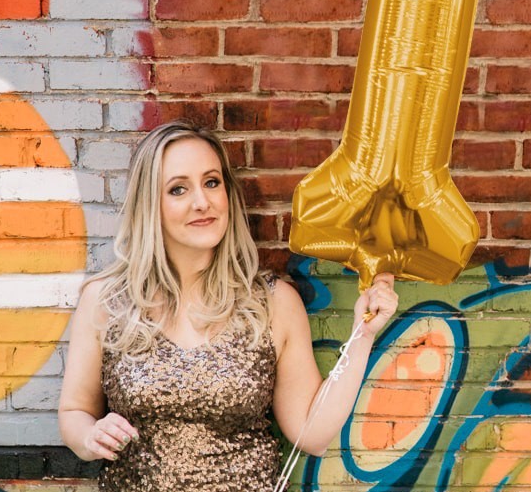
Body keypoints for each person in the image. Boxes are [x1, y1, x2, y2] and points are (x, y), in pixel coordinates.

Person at [58, 121, 398, 491]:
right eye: (178, 189)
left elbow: (311, 434)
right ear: (149, 204)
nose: (201, 202)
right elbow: (73, 411)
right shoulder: (107, 300)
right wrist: (90, 436)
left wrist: (363, 334)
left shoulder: (273, 302)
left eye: (211, 182)